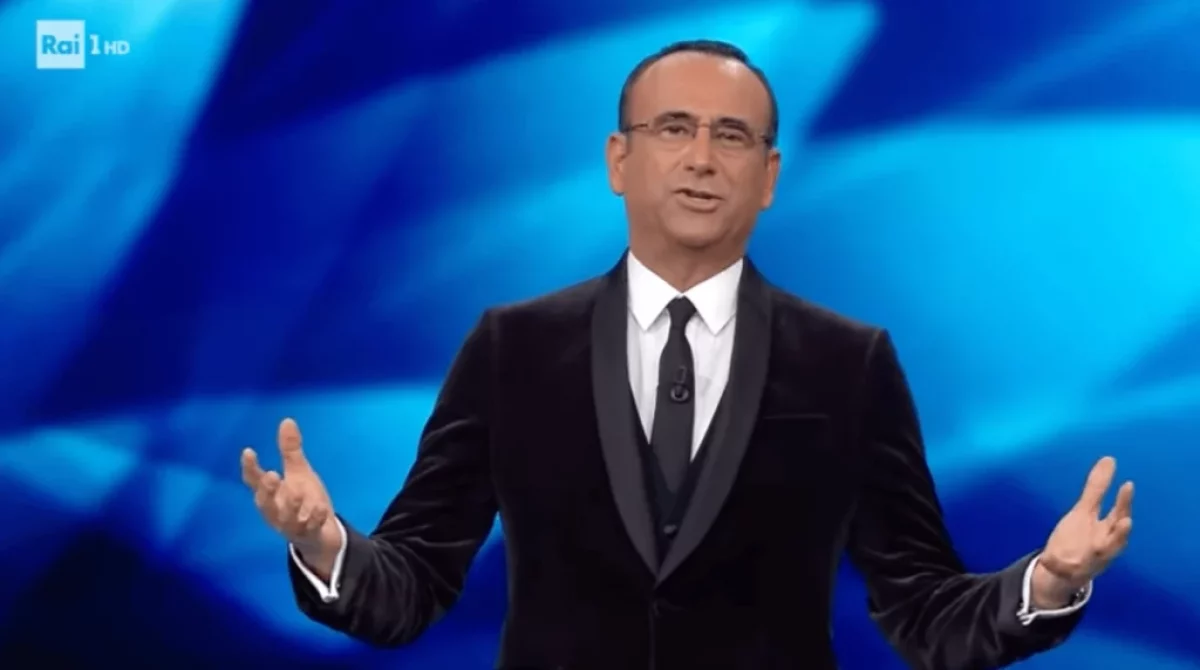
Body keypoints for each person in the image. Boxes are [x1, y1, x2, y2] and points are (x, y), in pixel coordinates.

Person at [240, 40, 1134, 669]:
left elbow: (924, 612)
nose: (702, 159)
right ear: (618, 160)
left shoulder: (848, 362)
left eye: (732, 136)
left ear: (769, 176)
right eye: (673, 129)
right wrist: (325, 543)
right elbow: (412, 585)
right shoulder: (513, 347)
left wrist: (1047, 581)